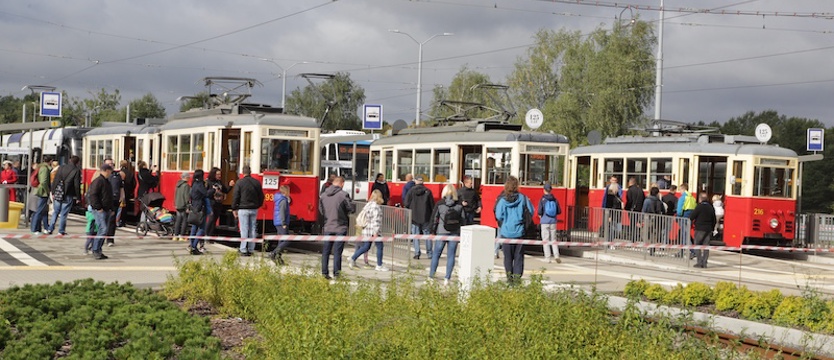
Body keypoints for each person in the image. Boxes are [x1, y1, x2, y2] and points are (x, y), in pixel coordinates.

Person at [495, 176, 534, 284]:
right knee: (518, 257)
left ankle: (509, 279)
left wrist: (506, 220)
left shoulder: (502, 200)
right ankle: (517, 280)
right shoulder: (523, 198)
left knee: (507, 258)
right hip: (519, 231)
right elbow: (531, 211)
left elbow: (498, 215)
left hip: (506, 232)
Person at [319, 176, 355, 279]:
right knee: (337, 252)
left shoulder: (323, 195)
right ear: (342, 183)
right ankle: (337, 274)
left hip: (328, 226)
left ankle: (324, 273)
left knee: (326, 251)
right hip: (340, 227)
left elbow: (321, 211)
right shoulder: (343, 195)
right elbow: (351, 208)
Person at [428, 184, 464, 285]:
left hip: (441, 232)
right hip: (454, 233)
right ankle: (447, 278)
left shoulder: (440, 204)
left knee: (436, 254)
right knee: (451, 256)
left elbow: (434, 218)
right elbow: (463, 220)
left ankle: (431, 277)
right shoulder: (459, 205)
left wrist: (432, 231)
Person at [349, 189, 388, 272]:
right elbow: (376, 221)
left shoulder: (368, 205)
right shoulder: (376, 207)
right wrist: (376, 232)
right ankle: (379, 265)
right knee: (380, 247)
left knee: (366, 246)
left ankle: (353, 258)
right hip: (373, 230)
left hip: (366, 229)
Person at [232, 165, 264, 256]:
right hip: (254, 209)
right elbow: (261, 196)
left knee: (244, 229)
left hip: (243, 208)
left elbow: (236, 196)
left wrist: (234, 208)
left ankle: (243, 249)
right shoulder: (256, 182)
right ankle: (251, 249)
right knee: (253, 229)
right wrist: (258, 205)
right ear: (250, 172)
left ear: (243, 172)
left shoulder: (239, 183)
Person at [47, 155, 81, 236]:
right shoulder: (76, 170)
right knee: (64, 213)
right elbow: (76, 185)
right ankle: (61, 230)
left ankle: (50, 228)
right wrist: (78, 197)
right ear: (78, 162)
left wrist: (53, 191)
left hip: (58, 192)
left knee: (55, 211)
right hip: (68, 193)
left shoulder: (61, 167)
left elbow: (56, 179)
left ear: (69, 160)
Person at [404, 176, 434, 260]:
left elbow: (406, 203)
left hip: (414, 217)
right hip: (426, 216)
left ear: (415, 182)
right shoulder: (428, 191)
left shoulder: (411, 191)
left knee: (415, 234)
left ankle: (417, 253)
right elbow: (432, 205)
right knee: (427, 235)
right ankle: (429, 253)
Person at [88, 164, 114, 260]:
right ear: (106, 170)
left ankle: (98, 250)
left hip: (106, 209)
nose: (111, 173)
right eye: (110, 171)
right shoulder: (99, 181)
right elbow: (93, 195)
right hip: (100, 210)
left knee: (103, 230)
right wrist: (98, 207)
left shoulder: (106, 181)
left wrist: (111, 208)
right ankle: (95, 249)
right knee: (103, 229)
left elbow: (109, 196)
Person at [689, 193, 717, 269]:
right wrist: (712, 228)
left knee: (697, 245)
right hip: (708, 229)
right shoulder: (711, 207)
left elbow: (692, 216)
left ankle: (699, 262)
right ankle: (704, 263)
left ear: (700, 199)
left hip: (700, 229)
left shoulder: (699, 207)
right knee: (706, 246)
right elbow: (714, 220)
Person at [538, 182, 562, 264]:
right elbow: (559, 211)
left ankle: (547, 258)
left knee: (546, 240)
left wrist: (541, 216)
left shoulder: (542, 199)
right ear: (551, 190)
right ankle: (556, 255)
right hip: (553, 221)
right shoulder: (555, 199)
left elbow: (539, 211)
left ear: (544, 190)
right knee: (554, 239)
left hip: (545, 221)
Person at [206, 167, 233, 238]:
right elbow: (206, 194)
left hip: (218, 203)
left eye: (220, 174)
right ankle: (206, 235)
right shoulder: (208, 182)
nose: (219, 176)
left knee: (214, 220)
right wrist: (213, 190)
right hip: (211, 203)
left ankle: (210, 236)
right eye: (217, 174)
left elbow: (225, 191)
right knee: (211, 219)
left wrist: (230, 186)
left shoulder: (219, 182)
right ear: (213, 174)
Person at [268, 185, 292, 264]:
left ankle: (278, 258)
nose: (289, 193)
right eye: (289, 191)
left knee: (281, 240)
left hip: (278, 222)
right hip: (281, 223)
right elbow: (282, 212)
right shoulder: (283, 200)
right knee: (286, 240)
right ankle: (274, 253)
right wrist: (283, 223)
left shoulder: (279, 199)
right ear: (286, 192)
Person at [188, 169, 208, 255]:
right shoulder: (199, 185)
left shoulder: (193, 184)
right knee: (202, 228)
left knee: (194, 227)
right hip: (199, 208)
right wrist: (213, 190)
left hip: (194, 207)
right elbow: (206, 194)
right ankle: (194, 246)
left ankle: (192, 245)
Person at [30, 157, 52, 234]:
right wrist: (47, 191)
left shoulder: (40, 167)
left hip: (39, 191)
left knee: (42, 210)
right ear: (50, 161)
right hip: (42, 192)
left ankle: (41, 228)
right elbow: (43, 182)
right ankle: (34, 229)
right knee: (39, 211)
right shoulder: (45, 169)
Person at [105, 159, 123, 247]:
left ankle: (110, 239)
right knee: (102, 220)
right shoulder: (101, 175)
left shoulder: (117, 175)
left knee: (112, 220)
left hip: (115, 200)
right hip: (104, 201)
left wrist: (122, 197)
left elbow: (121, 187)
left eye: (112, 164)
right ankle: (98, 239)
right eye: (109, 164)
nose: (111, 165)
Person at [676, 184, 697, 258]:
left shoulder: (683, 198)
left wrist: (678, 217)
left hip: (683, 218)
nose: (680, 191)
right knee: (684, 234)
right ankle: (681, 251)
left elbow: (679, 210)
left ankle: (693, 251)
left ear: (683, 189)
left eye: (680, 190)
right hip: (689, 218)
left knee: (685, 235)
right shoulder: (692, 198)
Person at [173, 172, 191, 242]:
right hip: (183, 205)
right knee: (184, 221)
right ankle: (181, 236)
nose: (189, 178)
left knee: (178, 221)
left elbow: (175, 195)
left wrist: (175, 203)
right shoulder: (186, 186)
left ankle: (175, 235)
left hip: (178, 205)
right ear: (186, 177)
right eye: (188, 177)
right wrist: (188, 206)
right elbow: (186, 197)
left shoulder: (178, 185)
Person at [119, 160, 135, 227]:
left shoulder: (119, 173)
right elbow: (134, 183)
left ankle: (119, 220)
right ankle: (124, 220)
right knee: (125, 206)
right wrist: (131, 191)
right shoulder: (130, 173)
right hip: (128, 191)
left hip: (120, 192)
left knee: (120, 206)